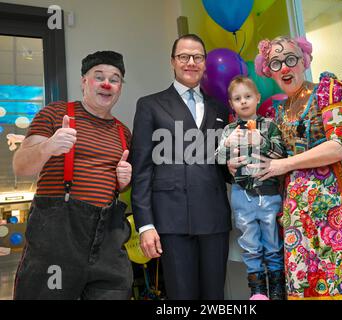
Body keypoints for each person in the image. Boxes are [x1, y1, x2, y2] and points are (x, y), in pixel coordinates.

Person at [228, 35, 342, 300]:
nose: (285, 67)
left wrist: (284, 164)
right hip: (304, 217)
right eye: (276, 63)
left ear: (305, 60)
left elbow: (339, 146)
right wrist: (238, 161)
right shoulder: (278, 112)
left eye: (291, 59)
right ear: (269, 72)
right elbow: (268, 153)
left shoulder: (329, 90)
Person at [12, 51, 133, 300]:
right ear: (83, 81)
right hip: (57, 239)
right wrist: (49, 147)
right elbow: (21, 166)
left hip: (107, 242)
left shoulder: (124, 132)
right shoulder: (55, 114)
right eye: (98, 76)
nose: (107, 83)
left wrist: (123, 182)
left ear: (120, 87)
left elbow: (113, 186)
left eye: (115, 78)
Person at [131, 34, 231, 300]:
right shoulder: (150, 105)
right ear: (172, 61)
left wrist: (238, 165)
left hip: (214, 217)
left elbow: (222, 164)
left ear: (205, 63)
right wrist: (145, 225)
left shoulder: (219, 108)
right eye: (184, 56)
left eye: (197, 57)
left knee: (215, 297)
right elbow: (141, 168)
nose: (191, 62)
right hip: (171, 220)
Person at [216, 76, 286, 300]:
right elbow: (218, 158)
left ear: (257, 98)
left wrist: (260, 140)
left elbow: (281, 153)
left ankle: (276, 287)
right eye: (237, 98)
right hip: (242, 195)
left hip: (268, 194)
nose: (243, 102)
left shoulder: (269, 126)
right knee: (250, 242)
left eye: (247, 96)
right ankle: (258, 291)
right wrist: (228, 147)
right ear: (231, 104)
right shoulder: (229, 130)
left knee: (272, 241)